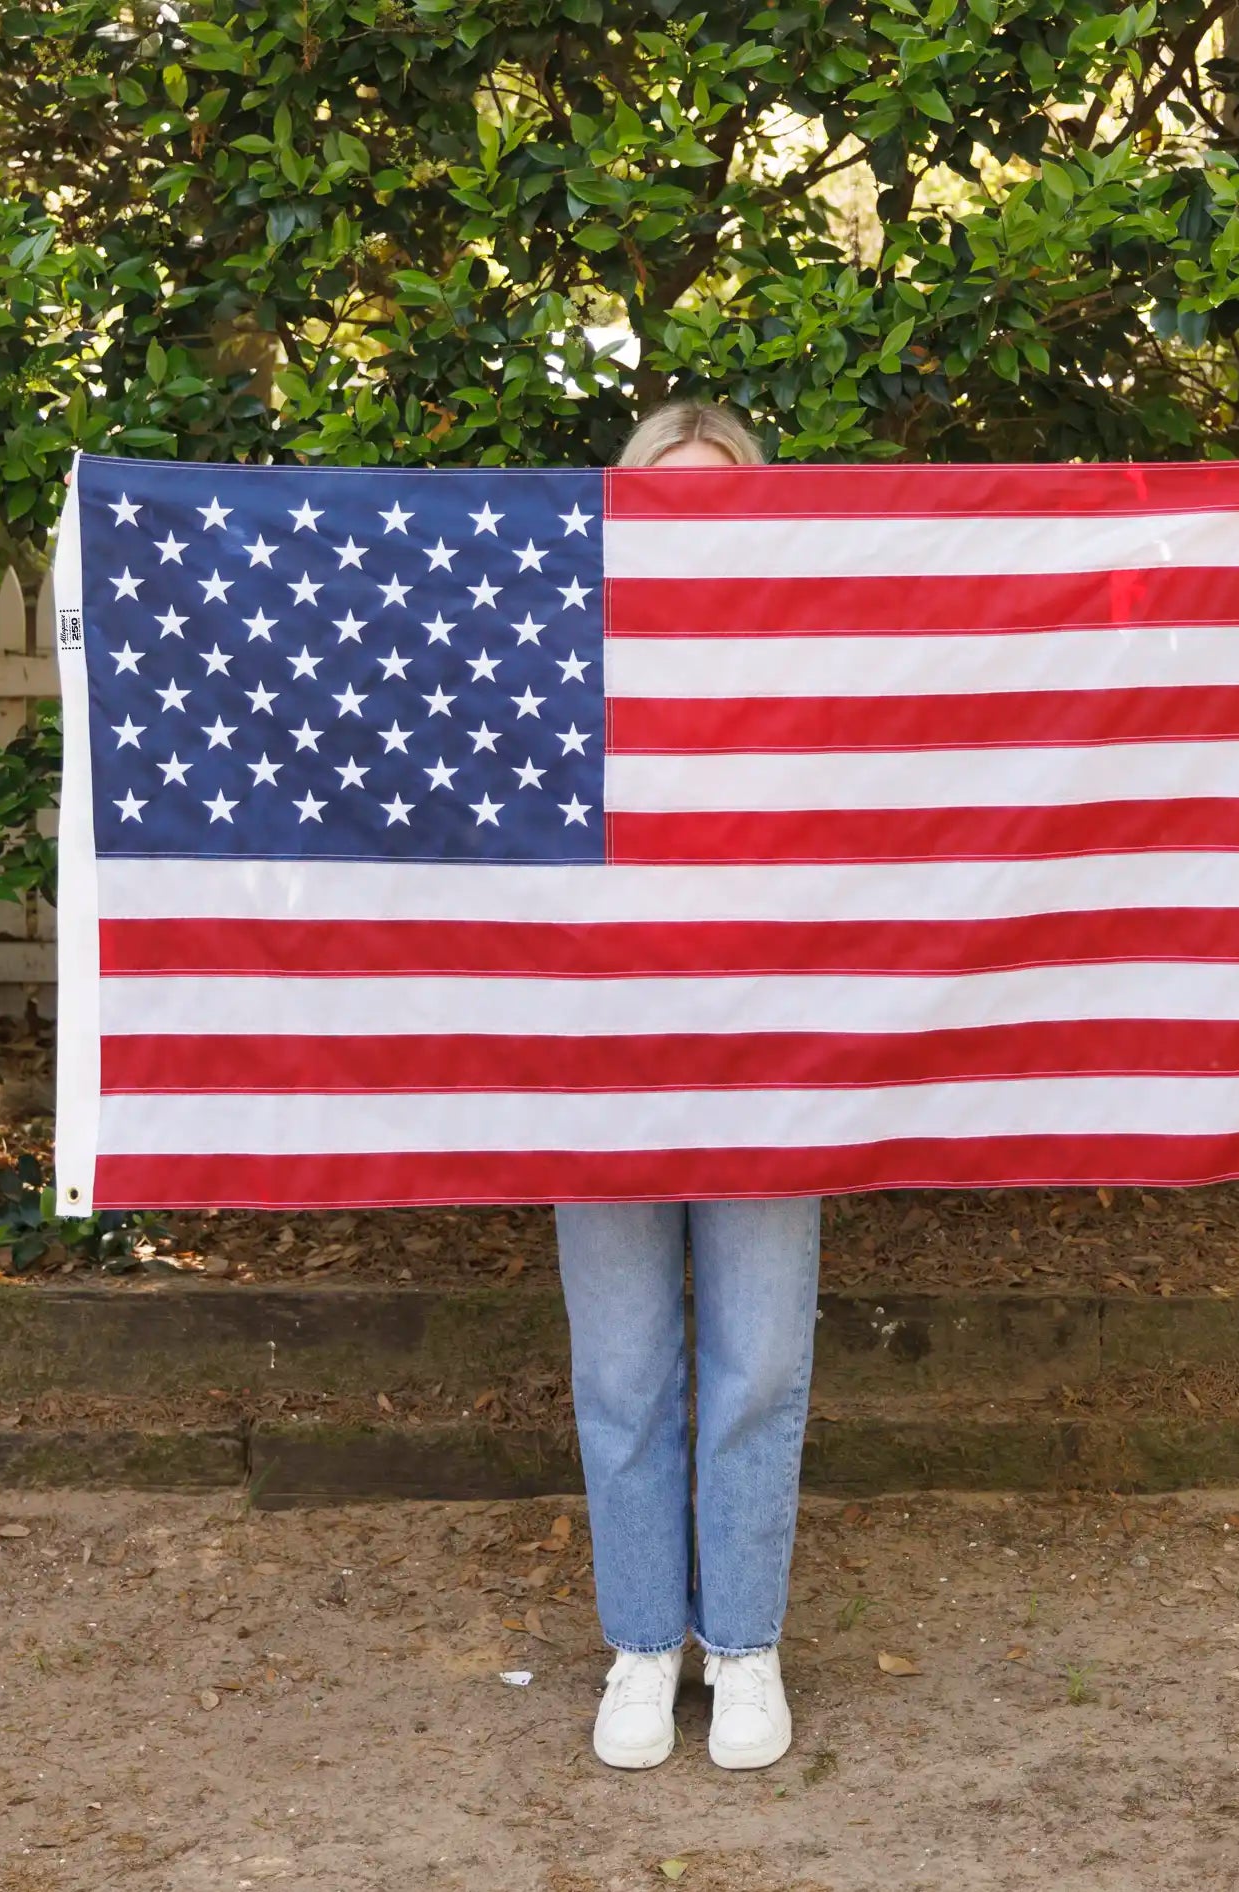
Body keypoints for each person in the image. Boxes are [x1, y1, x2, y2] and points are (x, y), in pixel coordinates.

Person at [557, 399, 821, 1773]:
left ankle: (746, 1644)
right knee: (621, 1370)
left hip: (774, 1060)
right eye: (662, 494)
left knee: (760, 1362)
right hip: (596, 1064)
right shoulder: (559, 644)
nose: (690, 518)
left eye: (718, 495)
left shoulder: (809, 660)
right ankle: (645, 1643)